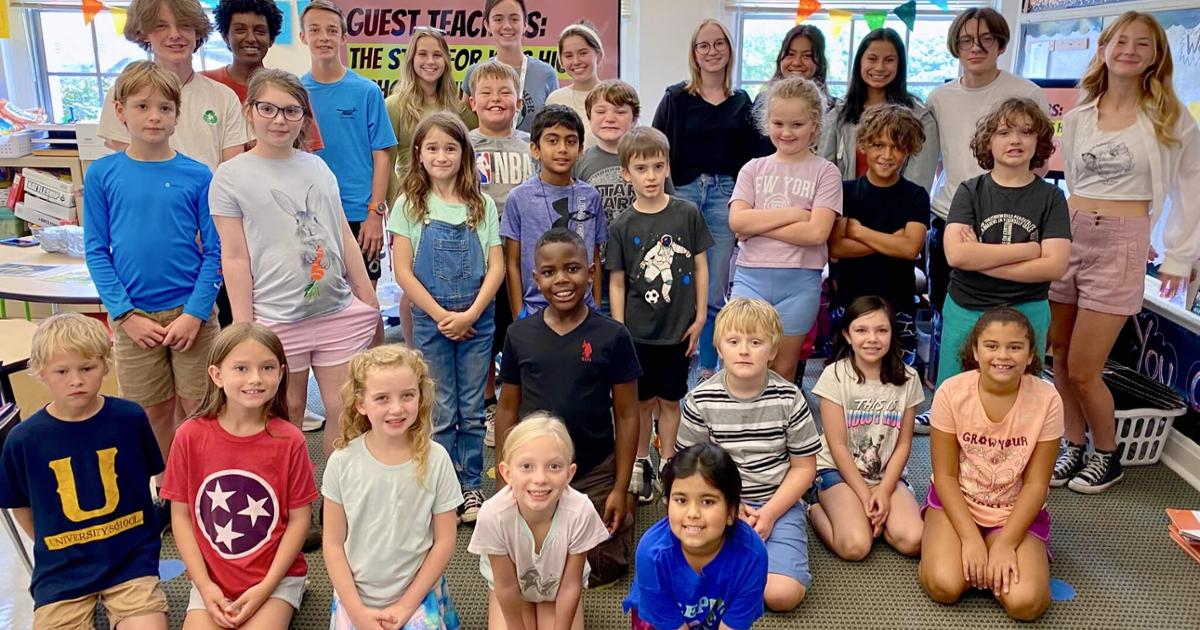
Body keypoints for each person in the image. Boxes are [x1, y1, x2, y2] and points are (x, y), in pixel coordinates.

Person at [1050, 11, 1200, 494]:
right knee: (1058, 355)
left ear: (1156, 56)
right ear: (1103, 49)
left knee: (1084, 367)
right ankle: (1073, 443)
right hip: (1070, 231)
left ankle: (1107, 454)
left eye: (1142, 44)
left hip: (1123, 239)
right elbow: (1073, 181)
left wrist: (1179, 255)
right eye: (1121, 41)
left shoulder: (1170, 118)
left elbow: (1192, 187)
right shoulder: (1080, 115)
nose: (1129, 50)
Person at [209, 69, 381, 461]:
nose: (279, 120)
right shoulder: (230, 176)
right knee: (289, 410)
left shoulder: (316, 167)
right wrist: (245, 327)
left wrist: (367, 297)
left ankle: (334, 491)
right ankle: (290, 490)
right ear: (250, 111)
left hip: (334, 310)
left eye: (291, 110)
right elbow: (234, 256)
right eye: (268, 109)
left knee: (345, 410)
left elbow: (341, 234)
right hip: (277, 316)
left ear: (304, 117)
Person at [83, 62, 221, 516]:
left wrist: (195, 313)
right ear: (121, 111)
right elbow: (96, 250)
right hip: (134, 319)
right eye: (142, 106)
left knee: (200, 408)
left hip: (191, 314)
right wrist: (125, 315)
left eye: (165, 107)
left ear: (177, 115)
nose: (154, 116)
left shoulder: (197, 174)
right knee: (152, 411)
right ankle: (165, 490)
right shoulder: (103, 174)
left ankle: (202, 486)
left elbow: (215, 252)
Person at [0, 314, 168, 630]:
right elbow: (18, 503)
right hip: (62, 572)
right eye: (62, 371)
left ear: (106, 365)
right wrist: (52, 544)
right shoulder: (23, 439)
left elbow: (145, 478)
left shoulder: (131, 418)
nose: (76, 380)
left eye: (87, 368)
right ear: (41, 372)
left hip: (130, 561)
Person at [494, 228, 641, 587]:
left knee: (604, 567)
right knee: (529, 563)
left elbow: (627, 415)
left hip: (594, 467)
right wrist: (503, 478)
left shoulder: (613, 336)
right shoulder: (519, 335)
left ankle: (627, 499)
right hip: (536, 469)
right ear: (536, 279)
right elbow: (507, 409)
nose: (561, 280)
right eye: (549, 272)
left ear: (591, 272)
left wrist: (620, 485)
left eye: (572, 269)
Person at [161, 323, 318, 629]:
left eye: (267, 368)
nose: (255, 378)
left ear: (281, 373)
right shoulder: (189, 436)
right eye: (241, 368)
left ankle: (295, 591)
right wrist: (204, 585)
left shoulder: (290, 440)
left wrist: (266, 587)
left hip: (275, 578)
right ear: (217, 375)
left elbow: (300, 520)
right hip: (211, 578)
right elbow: (180, 516)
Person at [389, 112, 505, 523]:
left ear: (464, 154)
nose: (442, 156)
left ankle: (470, 485)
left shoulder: (481, 204)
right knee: (439, 408)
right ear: (419, 153)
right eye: (433, 148)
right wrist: (442, 315)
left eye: (450, 148)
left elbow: (496, 266)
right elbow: (403, 271)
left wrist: (471, 313)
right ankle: (442, 489)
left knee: (471, 408)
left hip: (478, 320)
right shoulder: (409, 205)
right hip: (431, 321)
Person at [677, 297, 822, 612]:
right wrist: (729, 504)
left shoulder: (790, 398)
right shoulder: (700, 400)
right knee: (692, 581)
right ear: (719, 348)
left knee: (782, 595)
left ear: (772, 351)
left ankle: (755, 564)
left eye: (755, 342)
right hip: (718, 500)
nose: (744, 350)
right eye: (734, 341)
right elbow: (689, 469)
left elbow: (804, 467)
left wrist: (769, 514)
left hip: (778, 501)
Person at [919, 307, 1061, 622]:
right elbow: (945, 475)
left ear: (1030, 355)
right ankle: (956, 545)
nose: (1003, 356)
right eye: (992, 346)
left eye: (1015, 347)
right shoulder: (951, 392)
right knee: (944, 585)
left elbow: (1037, 484)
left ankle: (996, 550)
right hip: (958, 502)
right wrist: (970, 539)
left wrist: (1006, 543)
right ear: (975, 350)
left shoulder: (1048, 399)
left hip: (1012, 510)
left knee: (1026, 603)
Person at [606, 126, 712, 503]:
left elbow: (700, 266)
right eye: (641, 168)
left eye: (657, 166)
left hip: (678, 330)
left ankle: (668, 462)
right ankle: (641, 462)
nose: (650, 176)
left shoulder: (687, 213)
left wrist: (701, 317)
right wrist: (619, 329)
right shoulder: (621, 225)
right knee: (640, 402)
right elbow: (617, 281)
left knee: (670, 400)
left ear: (667, 167)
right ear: (626, 173)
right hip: (637, 333)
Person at [323, 345, 463, 629]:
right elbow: (333, 544)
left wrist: (406, 605)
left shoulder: (436, 459)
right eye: (382, 398)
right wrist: (357, 613)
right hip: (356, 598)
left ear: (420, 396)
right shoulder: (341, 461)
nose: (397, 408)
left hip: (418, 595)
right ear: (361, 403)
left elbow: (445, 541)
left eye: (407, 395)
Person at [654, 18, 763, 380]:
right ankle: (673, 362)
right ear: (695, 54)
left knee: (714, 287)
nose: (712, 51)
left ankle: (707, 368)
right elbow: (656, 146)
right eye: (704, 45)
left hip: (724, 196)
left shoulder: (742, 102)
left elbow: (755, 158)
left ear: (729, 49)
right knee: (675, 281)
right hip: (683, 193)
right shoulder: (675, 97)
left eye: (719, 44)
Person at [939, 97, 1071, 388]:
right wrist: (1029, 250)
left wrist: (980, 260)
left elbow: (1054, 266)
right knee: (955, 392)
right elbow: (957, 256)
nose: (1015, 140)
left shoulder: (1052, 198)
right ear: (988, 141)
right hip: (967, 306)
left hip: (1027, 308)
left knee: (1022, 395)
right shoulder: (969, 191)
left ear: (1039, 142)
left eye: (1026, 132)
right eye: (1004, 132)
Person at [728, 77, 842, 385]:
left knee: (783, 370)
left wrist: (757, 226)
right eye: (778, 123)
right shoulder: (753, 168)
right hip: (751, 278)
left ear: (815, 125)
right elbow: (737, 223)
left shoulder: (826, 173)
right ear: (767, 123)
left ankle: (777, 418)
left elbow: (816, 233)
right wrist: (794, 214)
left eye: (797, 124)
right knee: (742, 366)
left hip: (800, 283)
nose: (787, 132)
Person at [808, 297, 924, 561]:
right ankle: (814, 506)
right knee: (856, 547)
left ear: (892, 334)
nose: (872, 338)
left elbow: (904, 444)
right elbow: (837, 446)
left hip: (885, 475)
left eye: (881, 330)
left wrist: (883, 491)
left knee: (914, 541)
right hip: (838, 471)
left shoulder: (909, 378)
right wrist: (864, 496)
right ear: (848, 335)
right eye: (861, 330)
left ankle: (874, 519)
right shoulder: (835, 375)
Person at [469, 413, 609, 630]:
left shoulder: (580, 511)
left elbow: (570, 585)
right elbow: (506, 586)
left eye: (554, 466)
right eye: (527, 466)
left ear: (569, 473)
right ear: (507, 473)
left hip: (558, 589)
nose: (540, 479)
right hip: (513, 592)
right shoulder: (493, 515)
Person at [301, 0, 398, 286]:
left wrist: (375, 214)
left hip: (360, 214)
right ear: (304, 37)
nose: (324, 37)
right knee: (317, 297)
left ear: (343, 37)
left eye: (332, 30)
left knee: (366, 300)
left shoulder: (367, 91)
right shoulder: (296, 93)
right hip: (313, 216)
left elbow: (382, 156)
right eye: (315, 30)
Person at [623, 443, 768, 630]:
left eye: (707, 501)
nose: (692, 513)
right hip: (662, 622)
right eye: (681, 500)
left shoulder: (752, 556)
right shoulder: (650, 554)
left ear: (732, 510)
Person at [827, 103, 929, 367]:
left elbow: (910, 249)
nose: (887, 155)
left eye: (897, 147)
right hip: (851, 299)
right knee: (845, 374)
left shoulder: (916, 196)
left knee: (896, 375)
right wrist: (892, 240)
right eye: (878, 145)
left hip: (897, 302)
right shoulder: (846, 191)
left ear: (908, 150)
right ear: (863, 145)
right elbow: (836, 248)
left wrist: (858, 231)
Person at [467, 58, 536, 445]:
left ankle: (520, 396)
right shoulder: (465, 144)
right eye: (487, 93)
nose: (496, 99)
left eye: (505, 92)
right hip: (480, 253)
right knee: (485, 331)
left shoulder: (530, 145)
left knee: (519, 327)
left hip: (525, 254)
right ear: (472, 102)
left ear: (519, 102)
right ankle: (489, 403)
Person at [97, 0, 249, 172]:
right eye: (161, 26)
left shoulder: (224, 97)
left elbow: (231, 172)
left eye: (184, 25)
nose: (175, 34)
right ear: (144, 33)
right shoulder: (124, 93)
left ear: (197, 31)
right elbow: (128, 168)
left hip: (208, 189)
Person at [502, 105, 606, 317]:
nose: (562, 148)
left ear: (580, 149)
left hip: (583, 311)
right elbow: (512, 263)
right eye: (552, 140)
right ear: (535, 149)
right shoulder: (518, 198)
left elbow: (594, 255)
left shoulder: (591, 197)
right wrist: (519, 316)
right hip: (535, 311)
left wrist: (595, 307)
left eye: (571, 141)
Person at [819, 28, 937, 192]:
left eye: (889, 60)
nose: (880, 67)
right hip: (844, 205)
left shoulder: (920, 118)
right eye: (872, 59)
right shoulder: (839, 115)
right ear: (860, 61)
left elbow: (919, 182)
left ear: (899, 65)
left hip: (898, 208)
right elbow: (824, 174)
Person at [202, 0, 325, 152]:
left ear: (271, 39)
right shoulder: (204, 85)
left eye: (260, 31)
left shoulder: (290, 89)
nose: (250, 38)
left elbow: (308, 151)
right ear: (225, 36)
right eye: (240, 30)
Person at [385, 26, 478, 204]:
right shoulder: (394, 105)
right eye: (422, 54)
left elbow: (482, 137)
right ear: (411, 59)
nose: (430, 61)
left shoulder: (457, 108)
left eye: (437, 55)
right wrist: (397, 205)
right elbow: (386, 165)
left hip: (451, 204)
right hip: (410, 202)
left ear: (446, 61)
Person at [576, 80, 676, 231]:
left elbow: (669, 206)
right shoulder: (580, 161)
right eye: (601, 112)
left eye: (620, 112)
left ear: (634, 119)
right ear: (589, 118)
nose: (610, 118)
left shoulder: (651, 159)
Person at [462, 0, 559, 134]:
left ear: (525, 24)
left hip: (532, 148)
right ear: (487, 25)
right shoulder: (475, 73)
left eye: (514, 19)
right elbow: (464, 128)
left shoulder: (545, 74)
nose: (507, 26)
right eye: (498, 19)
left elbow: (556, 128)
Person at [546, 21, 605, 148]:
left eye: (583, 53)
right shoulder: (555, 100)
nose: (576, 61)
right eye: (568, 56)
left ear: (599, 56)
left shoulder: (616, 98)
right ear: (561, 61)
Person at [766, 24, 834, 107]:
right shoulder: (763, 101)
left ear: (820, 63)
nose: (796, 63)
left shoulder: (834, 109)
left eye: (807, 55)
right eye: (790, 54)